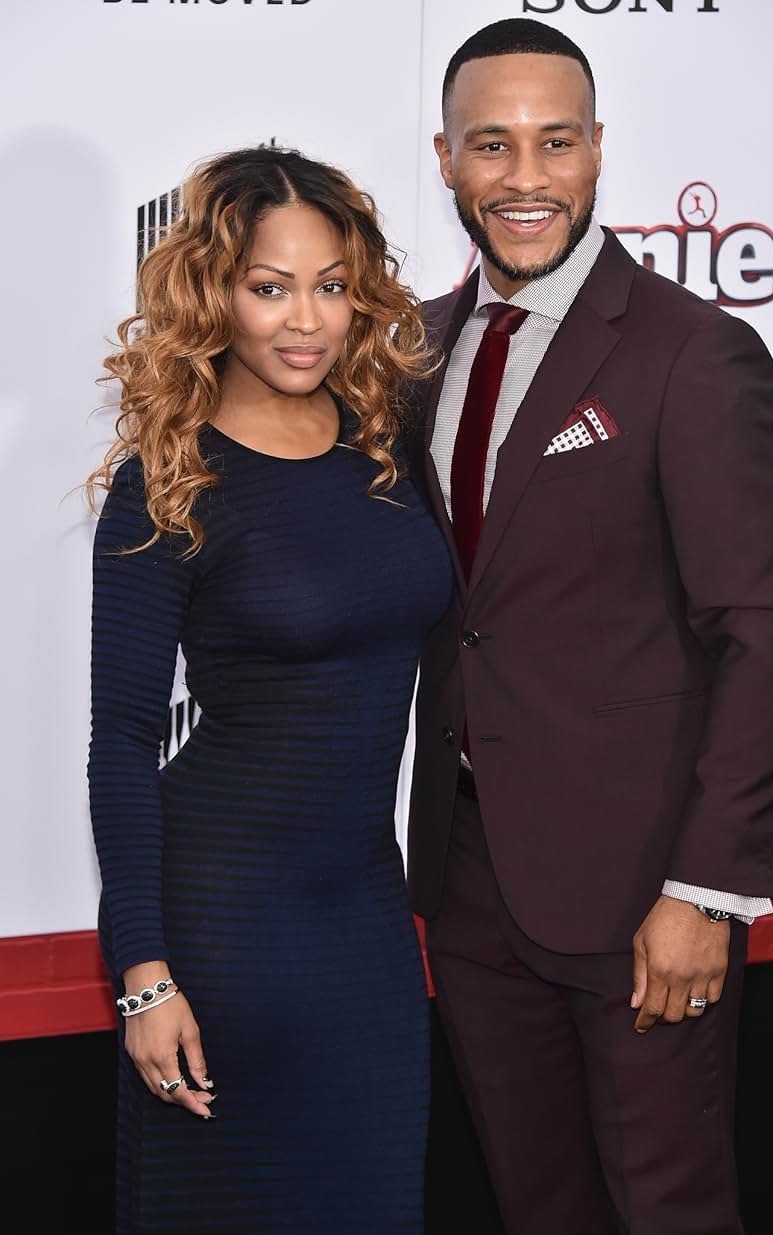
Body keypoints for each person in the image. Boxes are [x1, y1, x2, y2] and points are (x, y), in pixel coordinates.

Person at [407, 19, 773, 1235]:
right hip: (470, 881)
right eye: (492, 145)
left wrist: (707, 887)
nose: (524, 178)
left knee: (669, 1211)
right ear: (444, 159)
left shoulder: (696, 353)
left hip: (646, 886)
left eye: (555, 142)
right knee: (540, 1208)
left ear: (597, 152)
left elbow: (767, 632)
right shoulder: (413, 348)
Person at [86, 145, 452, 1234]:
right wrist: (144, 975)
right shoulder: (173, 476)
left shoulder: (384, 451)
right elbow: (122, 737)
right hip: (222, 926)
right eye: (269, 285)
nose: (306, 319)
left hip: (365, 924)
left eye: (331, 286)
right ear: (216, 295)